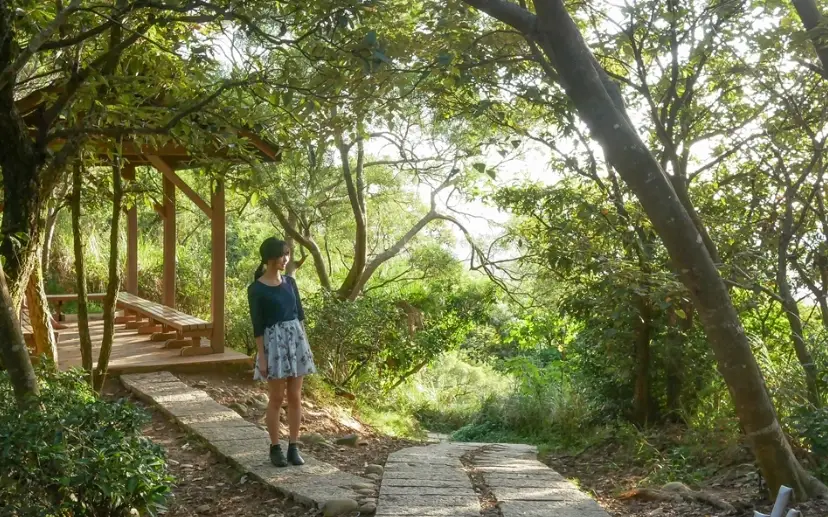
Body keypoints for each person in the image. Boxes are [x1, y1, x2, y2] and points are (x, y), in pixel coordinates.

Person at [247, 237, 316, 467]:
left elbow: (300, 316)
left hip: (296, 341)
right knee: (276, 397)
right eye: (282, 255)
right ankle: (275, 447)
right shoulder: (256, 289)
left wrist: (304, 347)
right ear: (269, 258)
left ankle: (293, 447)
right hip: (273, 344)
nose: (286, 259)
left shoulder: (290, 283)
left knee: (295, 396)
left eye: (287, 254)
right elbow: (257, 326)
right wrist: (262, 357)